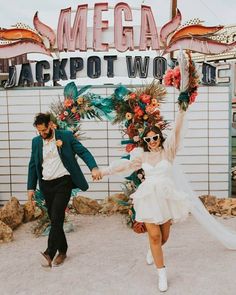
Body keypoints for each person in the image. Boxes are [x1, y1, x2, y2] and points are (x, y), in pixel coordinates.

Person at [101, 107, 236, 292]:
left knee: (163, 237)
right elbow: (124, 166)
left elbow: (177, 130)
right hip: (149, 198)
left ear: (159, 138)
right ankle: (161, 273)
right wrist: (104, 172)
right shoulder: (142, 155)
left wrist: (182, 109)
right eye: (147, 139)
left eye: (154, 138)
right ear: (144, 141)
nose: (152, 142)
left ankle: (152, 250)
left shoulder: (168, 152)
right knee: (155, 236)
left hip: (165, 199)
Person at [27, 113, 102, 268]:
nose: (42, 134)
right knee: (56, 220)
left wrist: (93, 168)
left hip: (63, 182)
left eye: (44, 130)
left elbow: (83, 152)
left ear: (51, 125)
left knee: (56, 216)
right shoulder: (36, 142)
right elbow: (33, 165)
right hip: (46, 185)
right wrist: (30, 188)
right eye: (39, 131)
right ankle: (63, 251)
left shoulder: (65, 137)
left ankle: (49, 252)